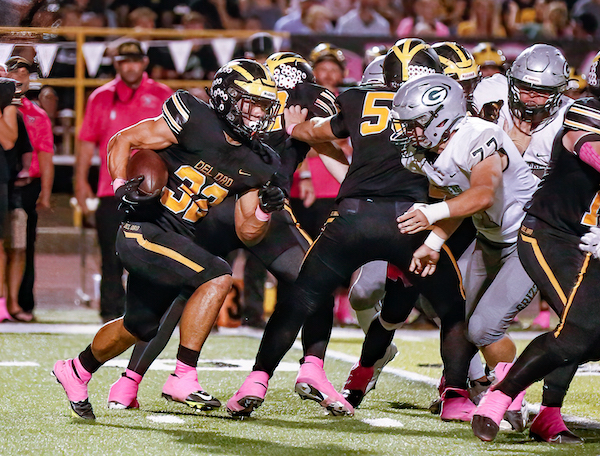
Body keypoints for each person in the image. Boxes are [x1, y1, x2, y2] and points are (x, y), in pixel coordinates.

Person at [104, 52, 348, 416]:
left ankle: (129, 383)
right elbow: (335, 151)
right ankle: (284, 373)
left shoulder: (250, 99)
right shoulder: (302, 102)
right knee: (312, 279)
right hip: (244, 207)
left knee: (183, 291)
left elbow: (329, 150)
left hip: (222, 208)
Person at [52, 59, 284, 420]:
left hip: (176, 238)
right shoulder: (194, 117)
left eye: (264, 106)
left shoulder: (259, 161)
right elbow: (123, 138)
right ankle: (183, 375)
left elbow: (247, 231)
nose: (257, 114)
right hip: (144, 228)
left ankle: (76, 369)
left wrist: (266, 211)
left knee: (138, 325)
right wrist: (119, 185)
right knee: (217, 273)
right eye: (250, 102)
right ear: (225, 97)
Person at [285, 39, 479, 421]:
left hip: (449, 218)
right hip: (420, 219)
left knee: (460, 308)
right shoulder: (417, 119)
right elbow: (352, 166)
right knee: (395, 305)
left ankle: (466, 386)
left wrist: (302, 131)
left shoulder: (468, 117)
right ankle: (366, 374)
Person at [392, 74, 538, 430]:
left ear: (441, 118)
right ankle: (511, 397)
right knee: (471, 325)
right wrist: (433, 242)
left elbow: (483, 194)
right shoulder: (432, 150)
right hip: (491, 237)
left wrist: (430, 215)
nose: (408, 133)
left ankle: (517, 400)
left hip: (531, 236)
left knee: (486, 327)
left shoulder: (477, 136)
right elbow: (457, 201)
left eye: (415, 125)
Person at [471, 51, 600, 444]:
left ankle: (544, 413)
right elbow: (591, 149)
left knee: (585, 333)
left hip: (588, 238)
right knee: (578, 327)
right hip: (550, 232)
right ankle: (499, 396)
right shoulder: (586, 111)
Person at [76, 38, 173, 323]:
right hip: (111, 188)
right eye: (123, 61)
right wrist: (80, 181)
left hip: (156, 191)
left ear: (144, 62)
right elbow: (85, 143)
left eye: (134, 60)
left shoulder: (162, 94)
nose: (129, 66)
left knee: (155, 254)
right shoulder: (100, 96)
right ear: (116, 64)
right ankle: (109, 314)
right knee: (111, 255)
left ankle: (151, 311)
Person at [5, 56, 54, 323]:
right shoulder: (6, 109)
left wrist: (45, 192)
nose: (19, 76)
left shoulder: (37, 114)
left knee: (24, 247)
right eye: (15, 71)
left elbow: (45, 155)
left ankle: (21, 302)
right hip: (6, 182)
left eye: (24, 71)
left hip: (26, 187)